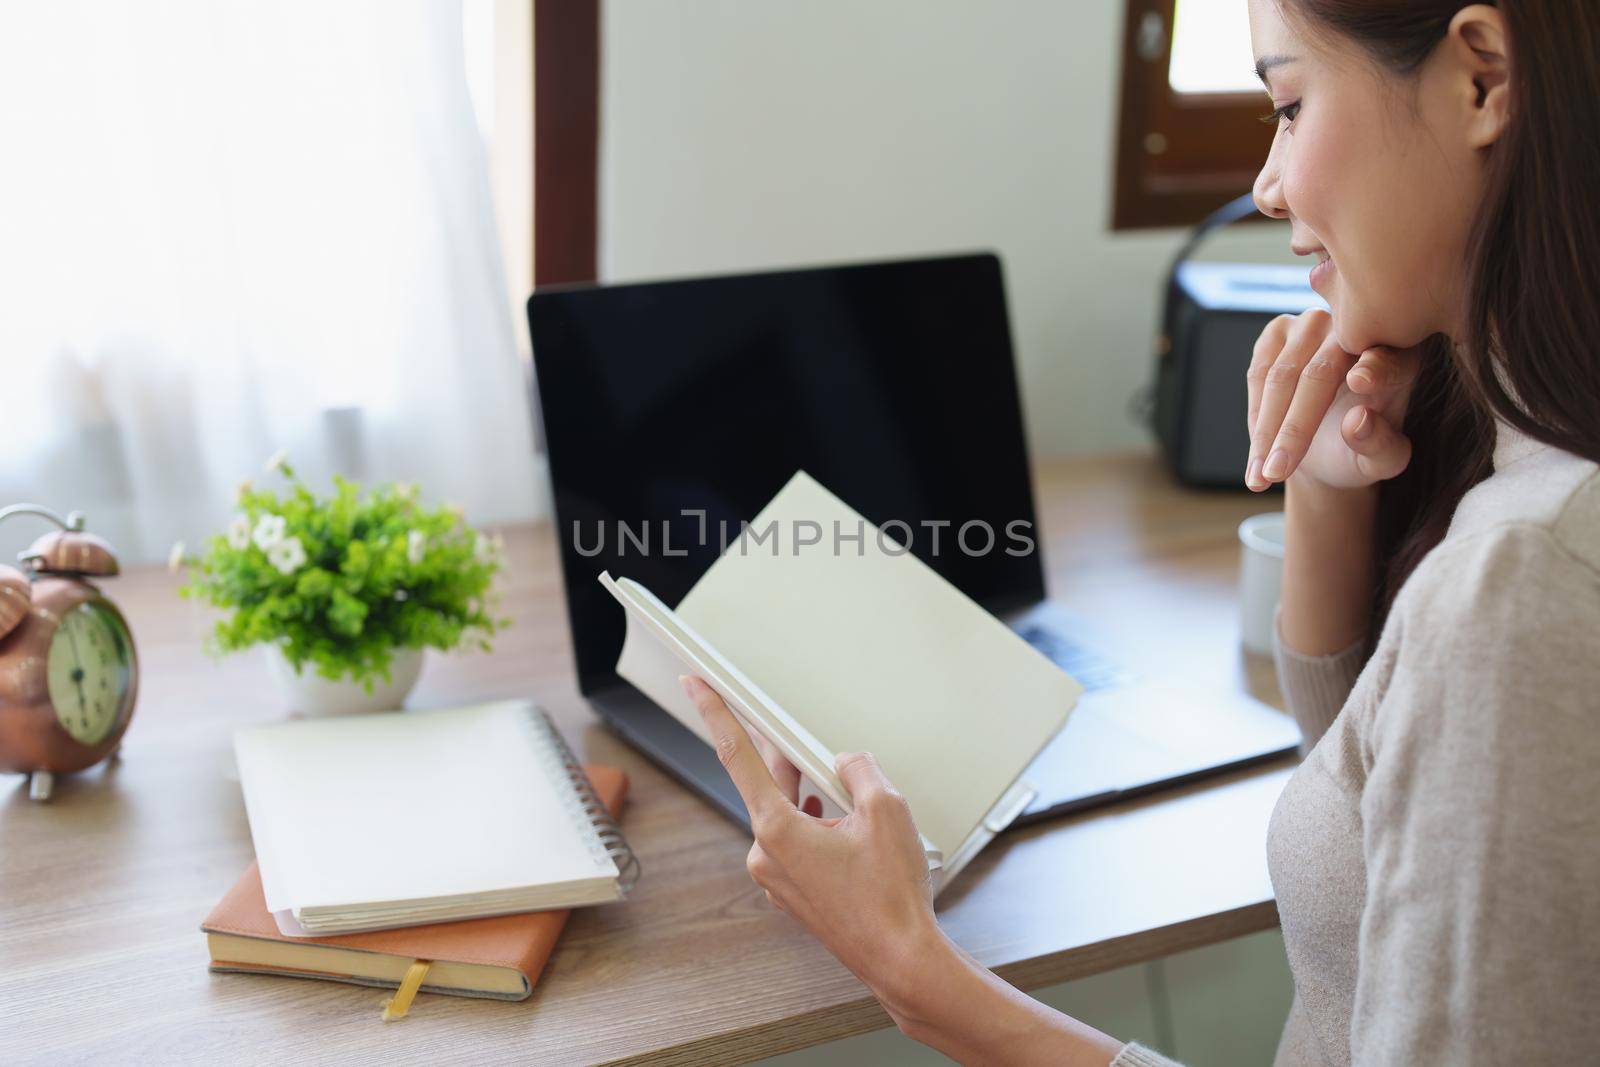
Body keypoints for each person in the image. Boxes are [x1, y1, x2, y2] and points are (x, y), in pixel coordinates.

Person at [680, 1, 1600, 1063]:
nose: (1265, 185)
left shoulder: (1521, 577)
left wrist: (914, 972)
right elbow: (1376, 798)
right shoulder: (1517, 489)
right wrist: (1326, 490)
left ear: (1481, 80)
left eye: (1291, 104)